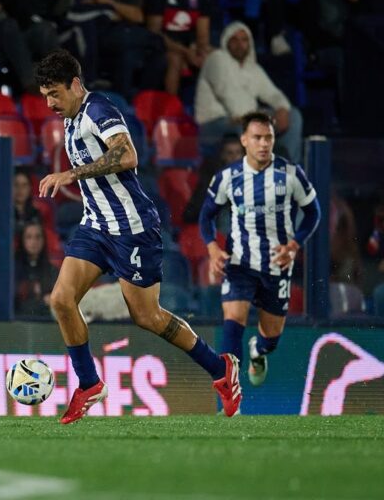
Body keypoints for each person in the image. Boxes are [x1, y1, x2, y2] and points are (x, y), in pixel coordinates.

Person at [35, 49, 241, 423]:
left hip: (132, 229)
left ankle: (220, 369)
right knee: (62, 300)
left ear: (76, 85)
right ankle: (89, 384)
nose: (49, 103)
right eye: (45, 95)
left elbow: (127, 155)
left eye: (55, 94)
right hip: (96, 224)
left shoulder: (99, 110)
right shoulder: (69, 117)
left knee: (147, 317)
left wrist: (71, 174)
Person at [199, 111, 321, 389]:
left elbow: (313, 212)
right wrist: (213, 249)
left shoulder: (291, 174)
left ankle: (259, 351)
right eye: (257, 137)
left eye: (269, 137)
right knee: (233, 320)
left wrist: (295, 243)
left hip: (277, 264)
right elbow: (206, 215)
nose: (264, 143)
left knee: (272, 336)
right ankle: (232, 393)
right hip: (239, 261)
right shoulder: (227, 177)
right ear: (244, 140)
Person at [195, 21, 303, 162]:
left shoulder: (252, 68)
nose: (240, 44)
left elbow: (272, 93)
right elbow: (228, 95)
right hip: (214, 123)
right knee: (247, 129)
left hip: (246, 118)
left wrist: (282, 108)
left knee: (293, 116)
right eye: (235, 40)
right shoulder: (217, 59)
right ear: (226, 41)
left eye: (244, 40)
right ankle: (254, 178)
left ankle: (287, 170)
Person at [146, 0, 212, 95]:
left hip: (190, 45)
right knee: (176, 58)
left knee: (216, 55)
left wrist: (200, 51)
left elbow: (203, 35)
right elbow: (155, 33)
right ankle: (172, 106)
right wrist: (186, 52)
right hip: (163, 47)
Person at [15, 220, 58, 317]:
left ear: (43, 240)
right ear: (22, 240)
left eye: (38, 237)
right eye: (29, 237)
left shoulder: (52, 271)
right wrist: (43, 301)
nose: (34, 242)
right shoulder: (13, 270)